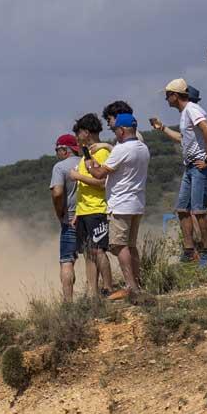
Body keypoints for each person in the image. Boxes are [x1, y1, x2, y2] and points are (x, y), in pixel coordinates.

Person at [72, 112, 150, 302]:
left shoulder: (120, 150)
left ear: (122, 130)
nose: (114, 133)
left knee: (118, 246)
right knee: (128, 246)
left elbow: (100, 176)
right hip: (136, 202)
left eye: (115, 130)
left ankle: (130, 286)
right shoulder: (143, 148)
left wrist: (88, 168)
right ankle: (135, 284)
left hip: (119, 204)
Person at [150, 79, 207, 267]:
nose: (166, 99)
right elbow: (183, 138)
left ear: (175, 95)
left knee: (199, 211)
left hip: (199, 166)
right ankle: (189, 250)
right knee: (182, 209)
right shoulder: (186, 113)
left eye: (167, 95)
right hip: (191, 166)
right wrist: (162, 128)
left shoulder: (192, 109)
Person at [70, 114, 115, 296]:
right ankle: (92, 293)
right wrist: (77, 213)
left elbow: (103, 182)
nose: (77, 137)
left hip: (97, 209)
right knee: (88, 253)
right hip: (84, 211)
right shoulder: (85, 156)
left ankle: (109, 288)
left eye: (78, 133)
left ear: (86, 132)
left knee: (98, 251)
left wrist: (78, 176)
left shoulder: (102, 153)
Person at [49, 134, 83, 300]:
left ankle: (68, 302)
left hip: (69, 218)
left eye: (57, 149)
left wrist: (59, 212)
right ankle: (96, 294)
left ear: (64, 150)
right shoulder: (87, 163)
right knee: (93, 255)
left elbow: (57, 193)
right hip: (89, 214)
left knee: (67, 260)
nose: (56, 153)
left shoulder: (59, 167)